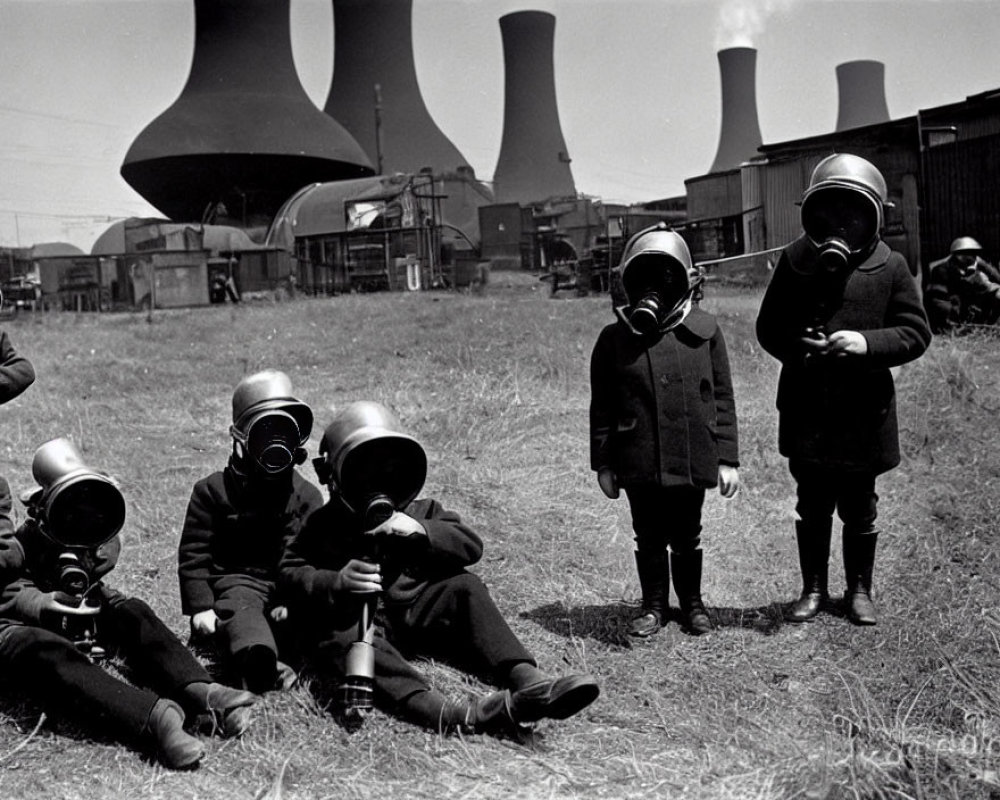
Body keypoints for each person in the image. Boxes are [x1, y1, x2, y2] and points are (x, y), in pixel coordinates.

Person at [279, 401, 600, 736]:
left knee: (464, 586)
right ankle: (456, 714)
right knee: (340, 637)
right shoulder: (323, 524)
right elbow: (290, 571)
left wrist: (421, 531)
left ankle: (528, 680)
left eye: (390, 469)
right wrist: (335, 581)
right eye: (363, 470)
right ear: (332, 475)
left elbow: (470, 545)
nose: (378, 481)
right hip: (367, 627)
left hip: (420, 615)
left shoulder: (419, 510)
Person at [0, 438, 257, 770]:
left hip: (58, 599)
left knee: (129, 611)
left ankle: (200, 692)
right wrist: (40, 603)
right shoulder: (22, 541)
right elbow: (8, 581)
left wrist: (89, 545)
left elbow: (93, 557)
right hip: (13, 625)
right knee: (43, 650)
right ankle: (157, 719)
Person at [755, 153, 932, 626]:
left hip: (862, 412)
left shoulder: (890, 266)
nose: (839, 225)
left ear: (875, 215)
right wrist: (800, 346)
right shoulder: (795, 262)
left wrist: (866, 343)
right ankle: (813, 589)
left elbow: (916, 333)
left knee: (859, 505)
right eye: (826, 213)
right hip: (808, 408)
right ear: (811, 213)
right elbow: (768, 328)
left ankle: (859, 591)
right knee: (811, 503)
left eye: (852, 214)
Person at [589, 224, 740, 638]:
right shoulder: (615, 339)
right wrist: (603, 463)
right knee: (648, 534)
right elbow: (601, 406)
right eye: (643, 279)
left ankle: (692, 604)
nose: (654, 289)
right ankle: (654, 605)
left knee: (688, 534)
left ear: (687, 282)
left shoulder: (705, 331)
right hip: (637, 456)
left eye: (666, 277)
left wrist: (727, 458)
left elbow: (722, 398)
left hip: (692, 455)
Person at [178, 370, 324, 693]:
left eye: (285, 433)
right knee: (242, 613)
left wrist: (291, 599)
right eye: (265, 432)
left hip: (286, 583)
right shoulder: (213, 491)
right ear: (241, 439)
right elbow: (194, 553)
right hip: (238, 582)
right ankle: (259, 664)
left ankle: (292, 658)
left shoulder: (306, 497)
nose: (276, 445)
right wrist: (200, 606)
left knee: (312, 615)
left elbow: (309, 557)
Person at [924, 236, 1000, 333]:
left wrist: (986, 267)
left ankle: (987, 325)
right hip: (949, 305)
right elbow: (938, 300)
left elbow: (996, 279)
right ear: (957, 255)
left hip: (969, 304)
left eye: (974, 253)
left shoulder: (975, 264)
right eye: (968, 253)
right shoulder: (941, 269)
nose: (972, 257)